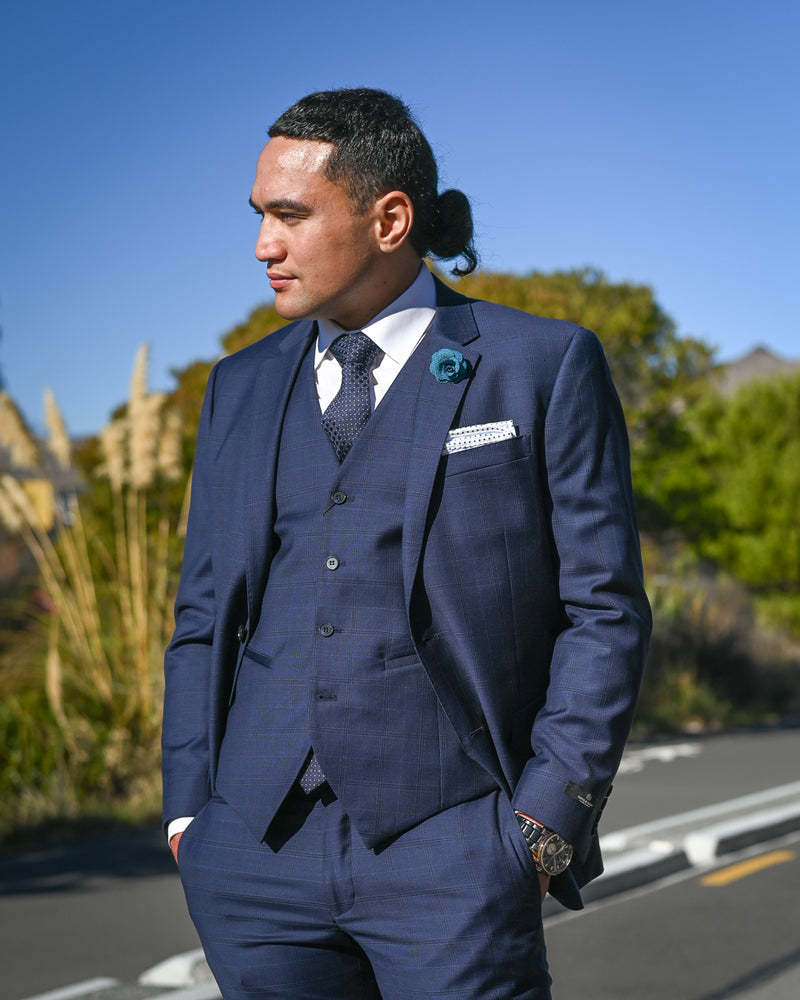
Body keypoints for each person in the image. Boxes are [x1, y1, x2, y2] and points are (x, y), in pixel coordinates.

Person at [162, 87, 651, 1000]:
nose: (263, 245)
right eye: (260, 216)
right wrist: (191, 812)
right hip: (253, 854)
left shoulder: (540, 364)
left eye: (289, 215)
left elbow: (606, 610)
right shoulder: (239, 385)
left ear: (389, 218)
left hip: (457, 851)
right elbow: (203, 615)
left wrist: (546, 820)